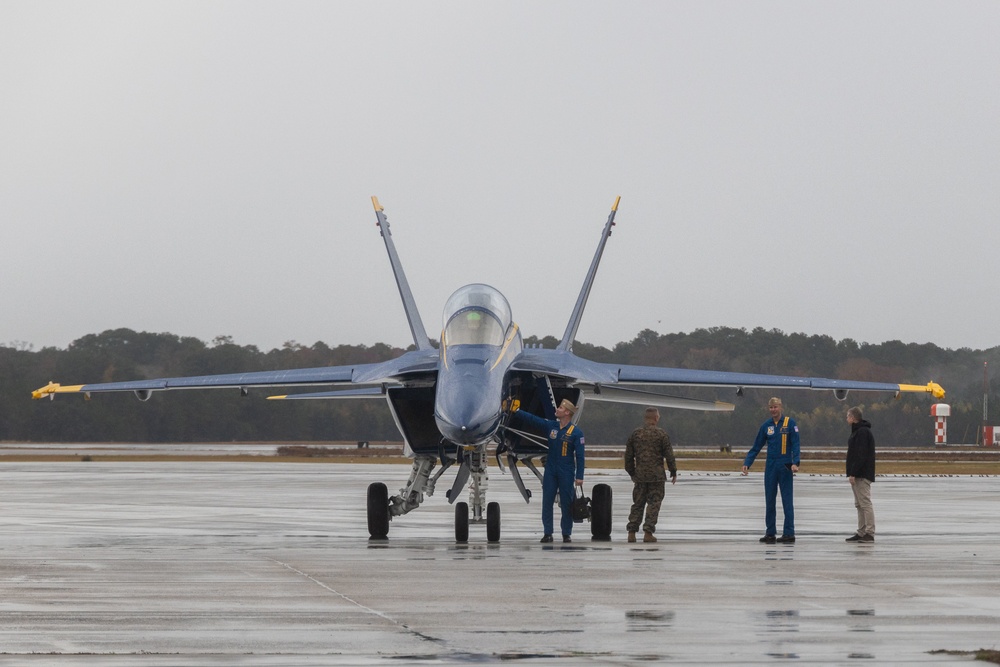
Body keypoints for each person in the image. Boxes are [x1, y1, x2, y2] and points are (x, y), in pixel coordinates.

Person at [509, 398, 585, 543]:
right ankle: (548, 533)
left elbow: (581, 457)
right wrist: (517, 411)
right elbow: (534, 420)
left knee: (567, 503)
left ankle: (566, 533)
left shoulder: (576, 433)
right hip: (551, 468)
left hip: (567, 470)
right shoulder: (552, 426)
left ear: (567, 413)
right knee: (547, 502)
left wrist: (579, 476)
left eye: (561, 408)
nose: (557, 409)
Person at [742, 397, 800, 544]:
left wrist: (795, 462)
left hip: (785, 465)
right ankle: (770, 533)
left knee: (787, 500)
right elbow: (757, 446)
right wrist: (747, 463)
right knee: (769, 500)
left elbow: (796, 444)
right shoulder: (766, 426)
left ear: (780, 407)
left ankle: (789, 533)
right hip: (771, 466)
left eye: (775, 407)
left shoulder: (789, 423)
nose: (773, 410)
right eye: (771, 407)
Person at [624, 407, 677, 543]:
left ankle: (632, 532)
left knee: (638, 503)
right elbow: (669, 455)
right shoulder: (661, 434)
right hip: (656, 476)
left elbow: (628, 456)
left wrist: (631, 472)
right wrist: (673, 471)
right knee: (654, 503)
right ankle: (648, 531)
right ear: (656, 418)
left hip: (640, 475)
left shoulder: (635, 434)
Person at [845, 406, 876, 542]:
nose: (846, 419)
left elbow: (861, 455)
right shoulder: (857, 432)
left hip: (862, 475)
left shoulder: (862, 432)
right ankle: (861, 531)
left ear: (853, 417)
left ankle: (869, 532)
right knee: (859, 504)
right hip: (858, 474)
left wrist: (853, 472)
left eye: (847, 416)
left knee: (865, 503)